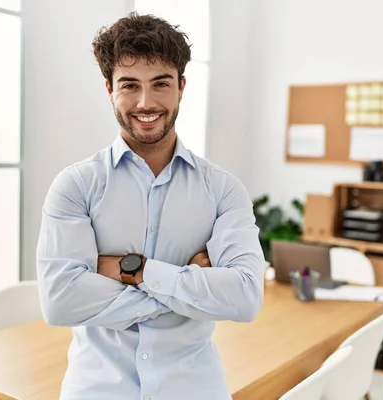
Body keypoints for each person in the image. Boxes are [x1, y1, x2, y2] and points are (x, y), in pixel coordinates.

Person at [36, 12, 265, 400]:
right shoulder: (75, 186)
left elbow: (244, 297)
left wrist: (135, 270)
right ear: (109, 89)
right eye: (130, 85)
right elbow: (60, 303)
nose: (146, 102)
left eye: (160, 83)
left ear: (181, 87)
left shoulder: (223, 190)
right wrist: (184, 285)